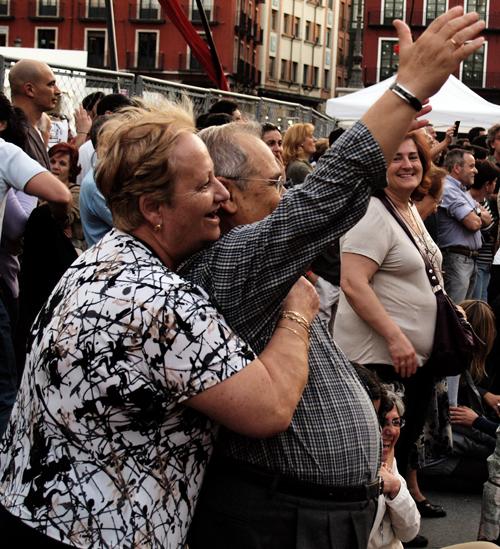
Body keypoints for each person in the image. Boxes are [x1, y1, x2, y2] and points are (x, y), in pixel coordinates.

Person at [184, 7, 486, 548]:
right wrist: (407, 88)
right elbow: (324, 195)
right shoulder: (232, 260)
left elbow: (329, 196)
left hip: (311, 510)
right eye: (276, 181)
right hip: (284, 516)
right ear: (226, 193)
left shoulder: (256, 254)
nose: (287, 193)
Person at [0, 104, 318, 548]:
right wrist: (298, 312)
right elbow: (270, 408)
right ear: (153, 208)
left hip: (39, 514)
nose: (223, 198)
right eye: (204, 185)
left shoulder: (100, 259)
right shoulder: (156, 299)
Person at [334, 131, 447, 524]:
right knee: (374, 457)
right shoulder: (371, 212)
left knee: (394, 454)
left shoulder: (406, 208)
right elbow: (352, 282)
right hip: (378, 362)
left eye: (414, 156)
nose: (407, 165)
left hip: (407, 361)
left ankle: (393, 528)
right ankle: (373, 531)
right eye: (395, 157)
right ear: (378, 167)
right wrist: (396, 336)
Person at [369, 390, 420, 549]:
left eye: (396, 422)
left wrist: (396, 488)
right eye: (382, 423)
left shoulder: (391, 463)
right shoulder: (354, 470)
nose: (391, 431)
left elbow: (409, 533)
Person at [437, 148, 487, 303]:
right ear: (457, 168)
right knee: (456, 312)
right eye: (471, 166)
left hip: (468, 260)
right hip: (456, 259)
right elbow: (473, 223)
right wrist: (477, 212)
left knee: (466, 313)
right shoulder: (448, 189)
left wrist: (475, 213)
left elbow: (487, 219)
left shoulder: (463, 191)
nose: (476, 171)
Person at [9, 59, 61, 169]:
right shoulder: (14, 133)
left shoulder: (32, 128)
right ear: (29, 90)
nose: (58, 91)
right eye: (51, 84)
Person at [469, 160, 499, 300]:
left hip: (486, 263)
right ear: (487, 184)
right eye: (494, 182)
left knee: (483, 306)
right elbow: (486, 230)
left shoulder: (486, 202)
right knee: (476, 307)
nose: (495, 186)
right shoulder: (471, 201)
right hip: (477, 262)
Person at [282, 122, 316, 186]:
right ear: (300, 141)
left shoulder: (297, 164)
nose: (315, 140)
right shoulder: (300, 168)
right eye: (311, 137)